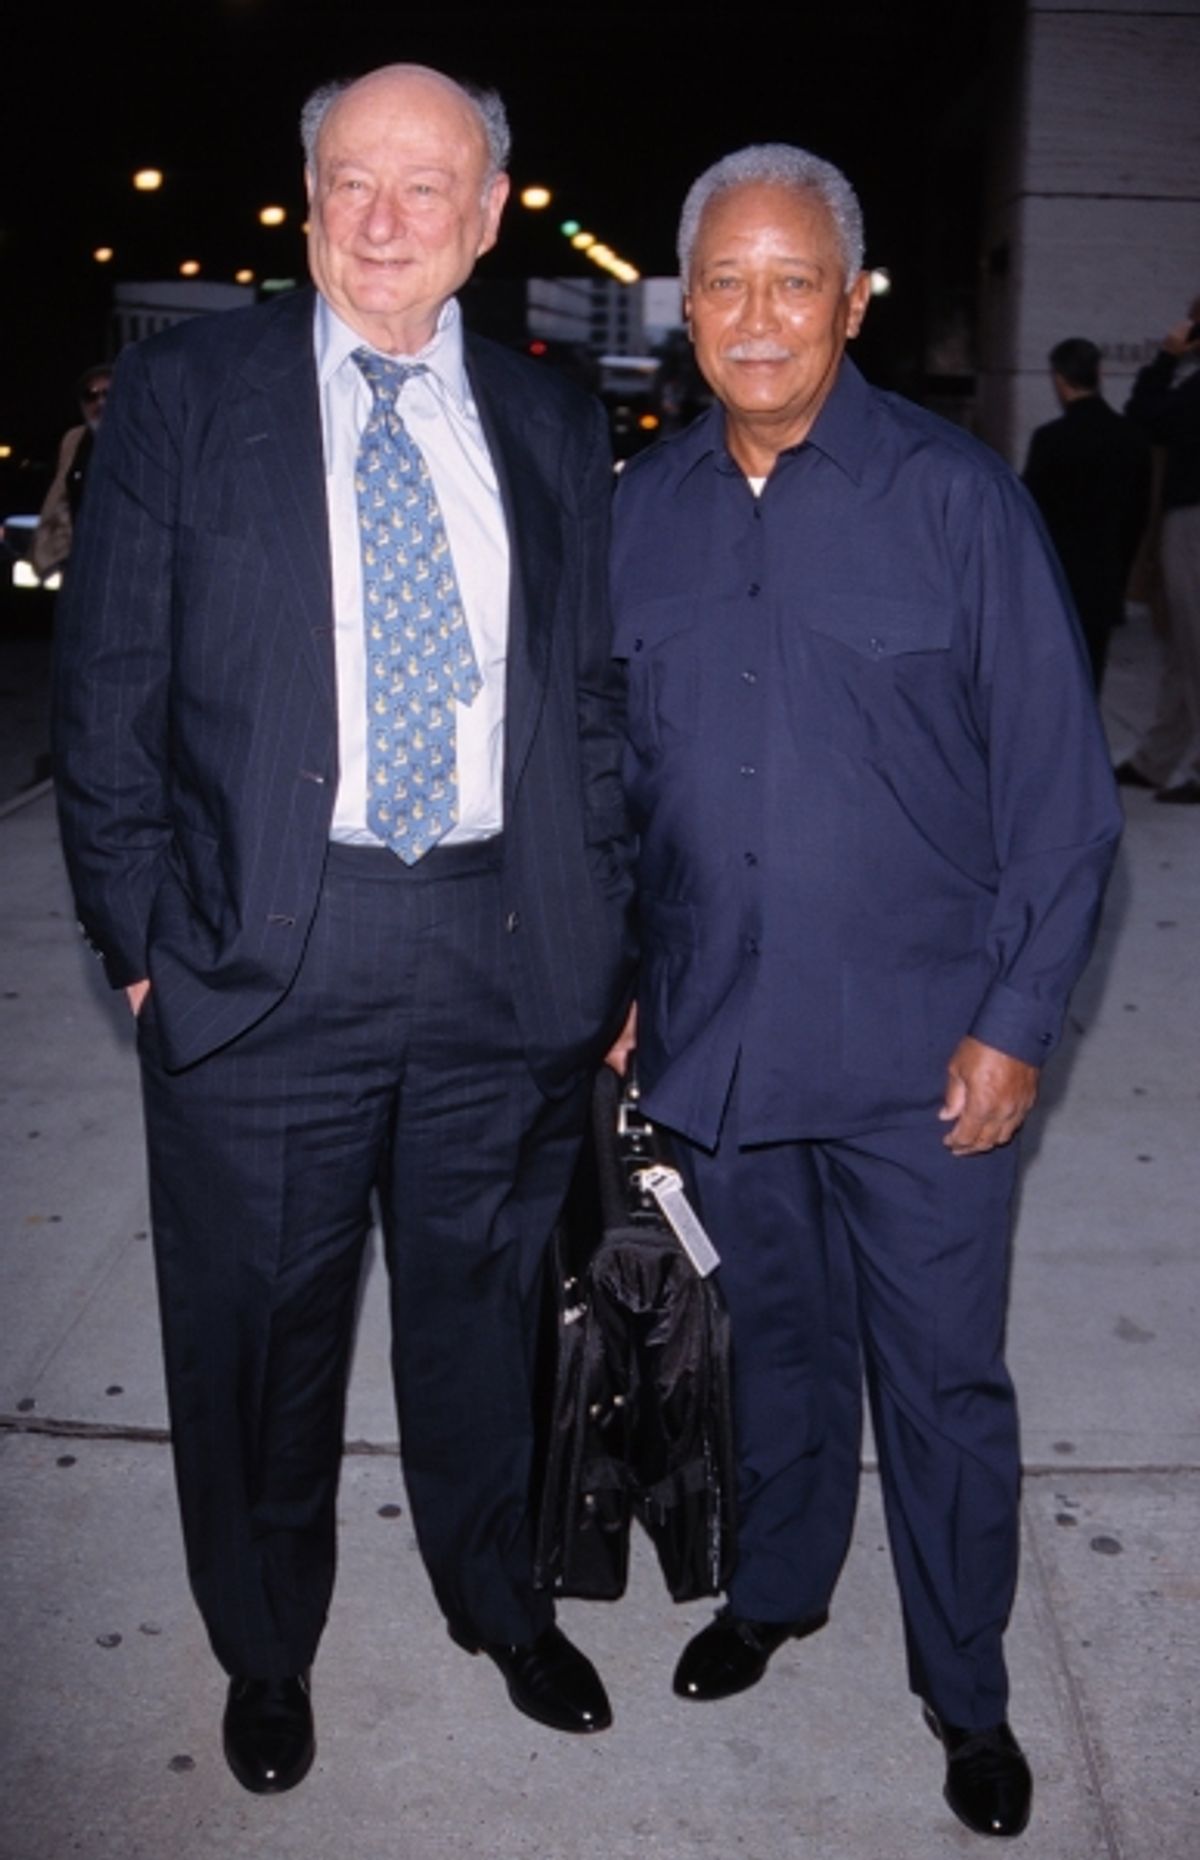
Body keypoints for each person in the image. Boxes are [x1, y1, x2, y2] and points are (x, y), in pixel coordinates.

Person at [52, 63, 634, 1793]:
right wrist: (150, 948)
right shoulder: (185, 399)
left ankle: (496, 1594)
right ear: (310, 202)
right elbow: (105, 705)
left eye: (423, 186)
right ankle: (264, 1643)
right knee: (256, 1336)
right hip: (259, 960)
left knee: (485, 1310)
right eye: (350, 183)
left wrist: (604, 945)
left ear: (482, 215)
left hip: (493, 946)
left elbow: (587, 706)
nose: (383, 218)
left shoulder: (548, 420)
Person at [607, 145, 1121, 1840]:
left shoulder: (956, 502)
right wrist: (623, 986)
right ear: (687, 310)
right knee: (781, 1359)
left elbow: (1061, 792)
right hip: (726, 1050)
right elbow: (617, 785)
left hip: (926, 1061)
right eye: (727, 286)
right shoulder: (641, 518)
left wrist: (1020, 1020)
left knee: (942, 1381)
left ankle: (964, 1696)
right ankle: (774, 1595)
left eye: (794, 282)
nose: (760, 318)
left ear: (853, 300)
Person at [1022, 336, 1150, 690]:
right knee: (1091, 675)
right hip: (1104, 576)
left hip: (1058, 578)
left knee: (1052, 681)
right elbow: (1137, 516)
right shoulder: (1129, 438)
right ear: (1099, 373)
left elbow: (1031, 515)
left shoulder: (1050, 439)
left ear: (1059, 380)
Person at [1115, 296, 1200, 802]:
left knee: (1193, 647)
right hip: (1187, 518)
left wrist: (1167, 356)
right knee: (1180, 650)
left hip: (1193, 520)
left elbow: (1143, 415)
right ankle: (1156, 760)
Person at [29, 363, 112, 581]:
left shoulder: (143, 440)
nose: (100, 402)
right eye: (90, 395)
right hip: (81, 566)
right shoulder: (74, 441)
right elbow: (58, 501)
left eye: (108, 393)